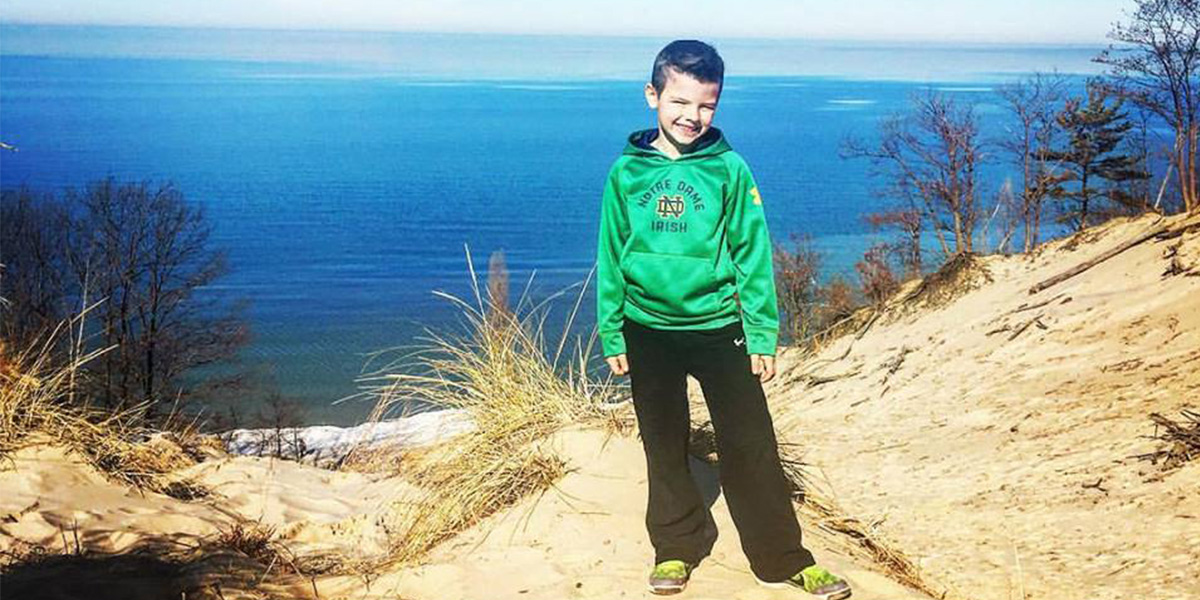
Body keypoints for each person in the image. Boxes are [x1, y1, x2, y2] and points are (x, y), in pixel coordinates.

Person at [594, 40, 853, 599]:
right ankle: (675, 548)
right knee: (663, 444)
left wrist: (762, 332)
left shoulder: (729, 169)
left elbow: (752, 255)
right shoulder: (625, 172)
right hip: (647, 329)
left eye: (707, 105)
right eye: (680, 101)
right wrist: (611, 328)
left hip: (719, 328)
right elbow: (610, 254)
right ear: (652, 96)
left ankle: (783, 557)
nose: (692, 116)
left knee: (751, 443)